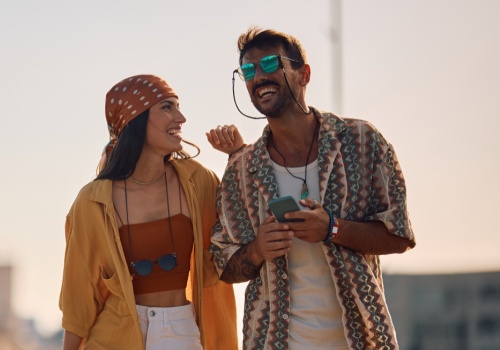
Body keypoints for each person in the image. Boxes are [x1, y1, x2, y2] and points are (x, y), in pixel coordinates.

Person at [209, 27, 416, 350]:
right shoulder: (242, 169)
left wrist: (331, 228)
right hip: (276, 342)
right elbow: (224, 265)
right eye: (248, 70)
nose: (258, 77)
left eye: (270, 65)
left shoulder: (361, 141)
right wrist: (256, 250)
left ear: (303, 74)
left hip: (360, 340)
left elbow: (400, 236)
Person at [59, 74, 241, 349]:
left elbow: (241, 234)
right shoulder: (93, 202)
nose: (181, 118)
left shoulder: (198, 182)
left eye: (177, 106)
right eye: (167, 107)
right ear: (136, 119)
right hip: (114, 337)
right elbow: (79, 298)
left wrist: (238, 154)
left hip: (182, 332)